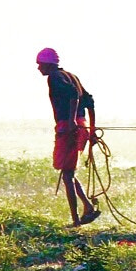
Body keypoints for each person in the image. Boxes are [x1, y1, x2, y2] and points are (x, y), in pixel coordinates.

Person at [36, 47, 101, 226]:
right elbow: (89, 100)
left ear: (48, 64)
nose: (38, 68)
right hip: (81, 126)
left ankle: (76, 221)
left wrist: (71, 121)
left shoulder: (55, 77)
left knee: (67, 174)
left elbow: (73, 95)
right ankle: (87, 207)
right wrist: (92, 129)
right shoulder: (72, 76)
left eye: (40, 64)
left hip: (69, 127)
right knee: (68, 172)